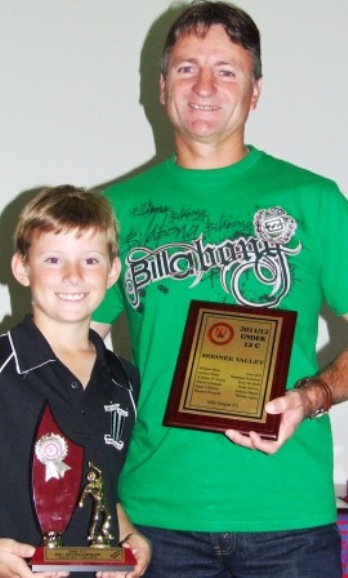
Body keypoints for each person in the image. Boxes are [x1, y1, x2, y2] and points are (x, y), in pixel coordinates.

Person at [91, 1, 348, 576]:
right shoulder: (114, 210)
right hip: (152, 519)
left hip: (288, 520)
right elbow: (72, 350)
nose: (204, 84)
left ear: (255, 91)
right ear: (161, 87)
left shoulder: (315, 200)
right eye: (186, 68)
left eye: (226, 70)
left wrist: (312, 396)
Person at [0, 185, 151, 578]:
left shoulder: (125, 381)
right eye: (53, 259)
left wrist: (132, 537)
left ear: (113, 271)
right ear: (22, 267)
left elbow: (99, 487)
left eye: (90, 260)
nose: (72, 276)